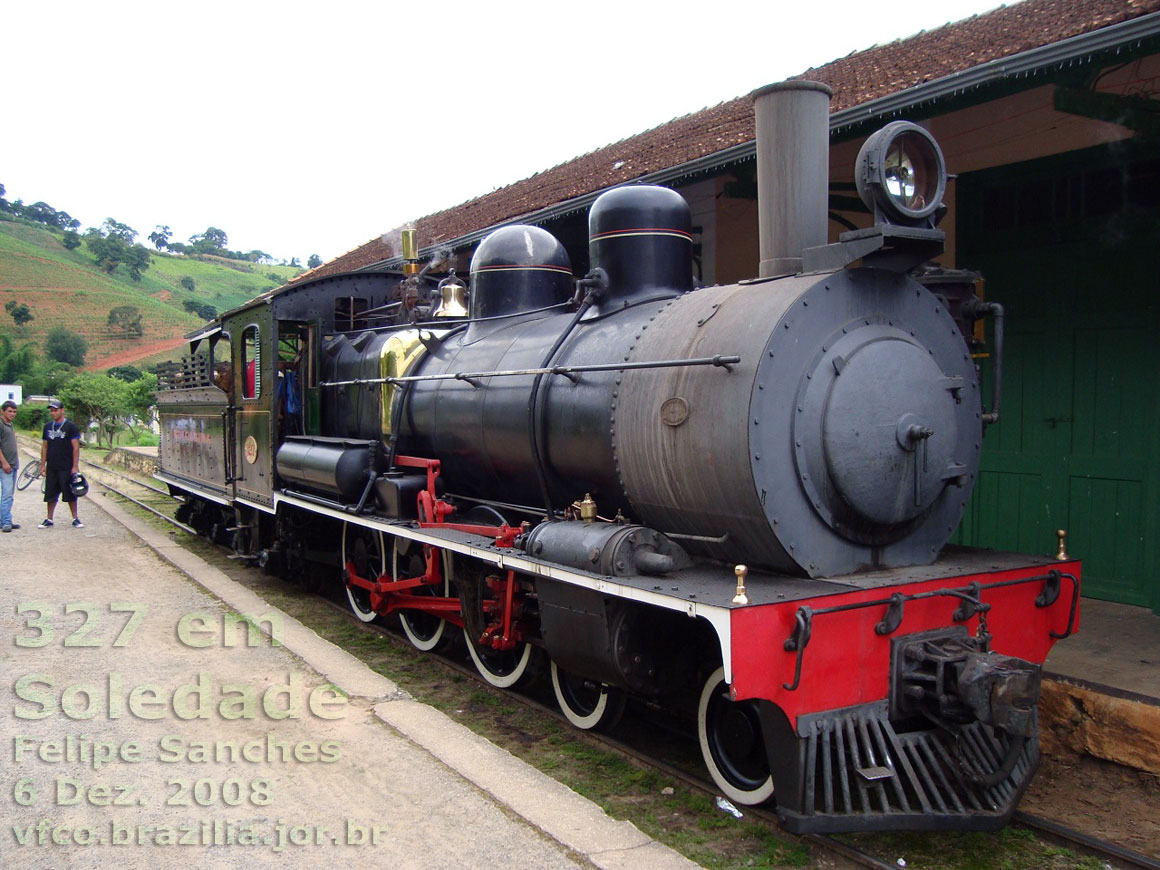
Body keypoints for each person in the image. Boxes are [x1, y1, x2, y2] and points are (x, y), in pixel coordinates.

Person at [38, 399, 83, 529]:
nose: (53, 413)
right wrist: (43, 465)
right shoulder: (47, 427)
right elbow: (45, 447)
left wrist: (75, 466)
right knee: (50, 493)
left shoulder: (70, 427)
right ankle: (49, 518)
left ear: (62, 411)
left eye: (55, 410)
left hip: (66, 466)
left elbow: (75, 447)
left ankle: (75, 518)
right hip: (52, 465)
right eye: (51, 411)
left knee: (70, 493)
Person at [0, 399, 19, 532]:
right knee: (6, 494)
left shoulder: (9, 424)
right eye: (10, 411)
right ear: (3, 411)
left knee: (10, 494)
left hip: (13, 464)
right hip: (5, 465)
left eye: (14, 412)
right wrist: (4, 462)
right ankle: (6, 522)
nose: (12, 414)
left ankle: (6, 518)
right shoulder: (1, 424)